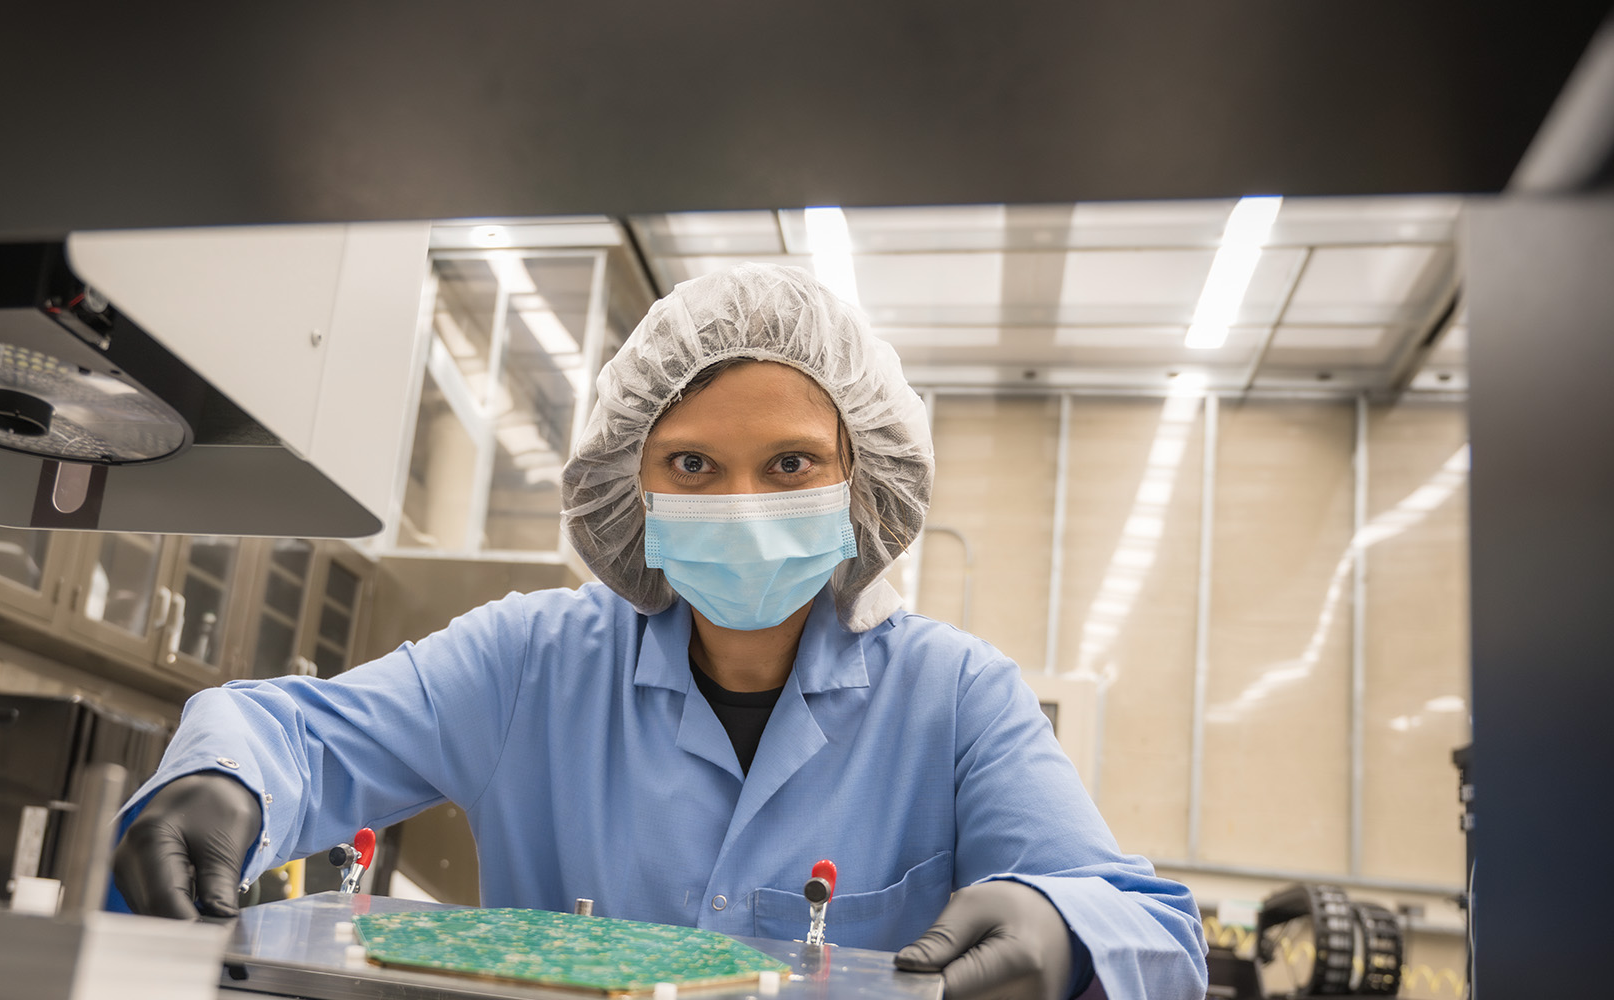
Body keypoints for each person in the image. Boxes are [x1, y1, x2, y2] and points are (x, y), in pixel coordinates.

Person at [111, 263, 1208, 1000]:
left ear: (858, 478)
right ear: (628, 484)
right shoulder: (528, 661)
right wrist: (225, 780)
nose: (740, 502)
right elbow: (301, 736)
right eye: (693, 465)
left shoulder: (956, 698)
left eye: (790, 465)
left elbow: (1157, 930)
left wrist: (1061, 927)